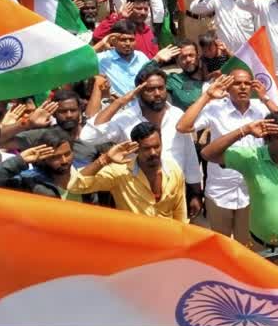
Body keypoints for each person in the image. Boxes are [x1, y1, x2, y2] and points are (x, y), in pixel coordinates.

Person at [201, 112, 278, 279]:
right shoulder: (251, 159)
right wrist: (245, 130)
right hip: (262, 251)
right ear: (267, 139)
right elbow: (208, 154)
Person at [81, 65, 203, 218]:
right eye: (150, 89)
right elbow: (88, 136)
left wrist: (196, 193)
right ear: (138, 92)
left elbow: (190, 155)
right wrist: (120, 102)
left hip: (174, 193)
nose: (157, 93)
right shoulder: (125, 118)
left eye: (161, 88)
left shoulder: (177, 115)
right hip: (136, 198)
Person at [177, 71, 278, 245]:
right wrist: (207, 96)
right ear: (228, 86)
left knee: (247, 246)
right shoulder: (215, 108)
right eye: (237, 83)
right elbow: (183, 126)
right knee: (221, 245)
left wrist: (265, 98)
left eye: (247, 84)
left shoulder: (260, 107)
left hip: (252, 188)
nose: (243, 87)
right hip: (220, 189)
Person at [69, 123, 187, 222]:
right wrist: (105, 159)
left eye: (156, 146)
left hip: (166, 239)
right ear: (136, 148)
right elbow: (75, 186)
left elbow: (180, 212)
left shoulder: (174, 171)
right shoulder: (119, 172)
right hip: (134, 241)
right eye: (146, 148)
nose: (153, 153)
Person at [0, 127, 78, 199]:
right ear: (44, 158)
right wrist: (20, 160)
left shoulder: (84, 176)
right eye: (55, 157)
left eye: (67, 154)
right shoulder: (30, 181)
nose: (64, 161)